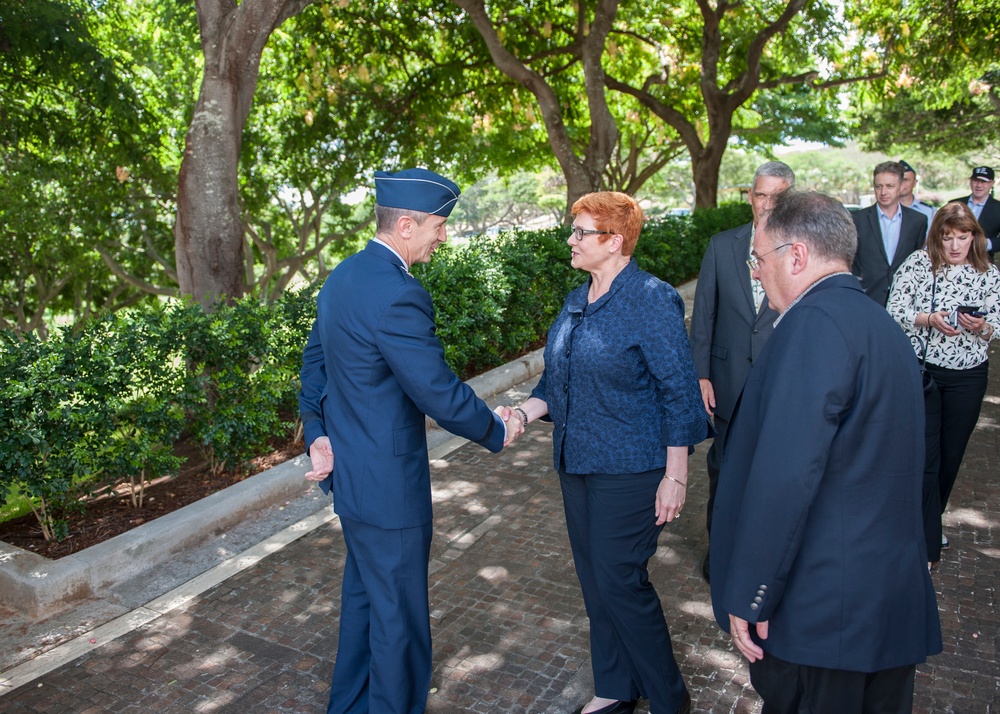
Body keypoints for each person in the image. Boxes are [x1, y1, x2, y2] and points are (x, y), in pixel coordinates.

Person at [298, 168, 522, 714]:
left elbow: (314, 367)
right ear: (405, 224)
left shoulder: (342, 276)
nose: (443, 237)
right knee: (398, 620)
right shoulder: (400, 294)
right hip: (390, 489)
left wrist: (319, 436)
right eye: (439, 226)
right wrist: (497, 428)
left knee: (365, 606)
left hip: (353, 481)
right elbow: (437, 392)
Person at [711, 190, 942, 714]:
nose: (754, 272)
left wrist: (752, 592)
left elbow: (788, 475)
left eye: (759, 259)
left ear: (796, 256)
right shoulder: (881, 324)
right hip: (883, 602)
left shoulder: (813, 325)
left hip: (825, 610)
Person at [503, 192, 709, 714]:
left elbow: (679, 391)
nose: (570, 240)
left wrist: (676, 474)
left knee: (620, 581)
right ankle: (616, 687)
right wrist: (522, 415)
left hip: (634, 469)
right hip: (578, 464)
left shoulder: (650, 297)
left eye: (581, 232)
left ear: (615, 241)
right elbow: (557, 378)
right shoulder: (578, 298)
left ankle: (668, 699)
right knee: (597, 583)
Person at [689, 161, 791, 583]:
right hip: (728, 385)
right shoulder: (722, 245)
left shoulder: (800, 249)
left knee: (773, 479)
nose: (766, 205)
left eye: (776, 197)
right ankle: (721, 557)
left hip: (780, 386)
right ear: (750, 195)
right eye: (760, 194)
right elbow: (704, 316)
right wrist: (701, 375)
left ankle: (765, 562)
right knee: (724, 475)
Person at [887, 202, 1000, 565]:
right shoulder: (919, 264)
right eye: (948, 237)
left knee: (951, 454)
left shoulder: (987, 272)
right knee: (923, 454)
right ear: (937, 237)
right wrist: (929, 318)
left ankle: (929, 522)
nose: (954, 246)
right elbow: (894, 310)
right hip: (924, 373)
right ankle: (917, 531)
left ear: (974, 237)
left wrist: (981, 327)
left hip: (969, 375)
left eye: (962, 238)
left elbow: (996, 322)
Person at [851, 160, 928, 305]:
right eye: (878, 186)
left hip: (905, 300)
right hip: (866, 298)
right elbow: (851, 261)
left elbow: (918, 262)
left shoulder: (917, 221)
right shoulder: (857, 220)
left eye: (890, 186)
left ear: (901, 186)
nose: (883, 192)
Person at [949, 166, 1000, 261]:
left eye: (984, 181)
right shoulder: (953, 204)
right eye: (975, 180)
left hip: (983, 262)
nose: (979, 185)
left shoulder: (998, 208)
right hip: (952, 261)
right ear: (970, 181)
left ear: (992, 183)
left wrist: (985, 243)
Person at [898, 159, 936, 231]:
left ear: (915, 183)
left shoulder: (930, 212)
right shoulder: (884, 210)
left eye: (906, 180)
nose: (902, 184)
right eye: (899, 180)